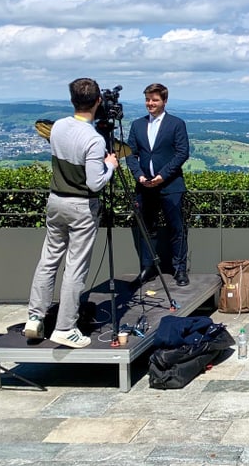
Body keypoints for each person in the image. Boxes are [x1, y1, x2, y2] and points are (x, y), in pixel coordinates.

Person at [25, 78, 119, 348]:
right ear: (98, 101)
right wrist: (110, 165)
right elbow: (95, 183)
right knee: (75, 267)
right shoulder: (93, 139)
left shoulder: (58, 128)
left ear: (72, 100)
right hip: (81, 206)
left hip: (55, 200)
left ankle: (35, 316)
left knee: (48, 260)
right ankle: (65, 327)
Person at [126, 83, 191, 286]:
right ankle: (147, 268)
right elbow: (129, 153)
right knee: (147, 228)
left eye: (154, 100)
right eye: (147, 99)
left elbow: (182, 153)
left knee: (176, 229)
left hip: (171, 185)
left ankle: (179, 269)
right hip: (144, 186)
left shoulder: (176, 124)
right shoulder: (137, 125)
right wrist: (139, 176)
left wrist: (162, 176)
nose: (150, 103)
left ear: (164, 101)